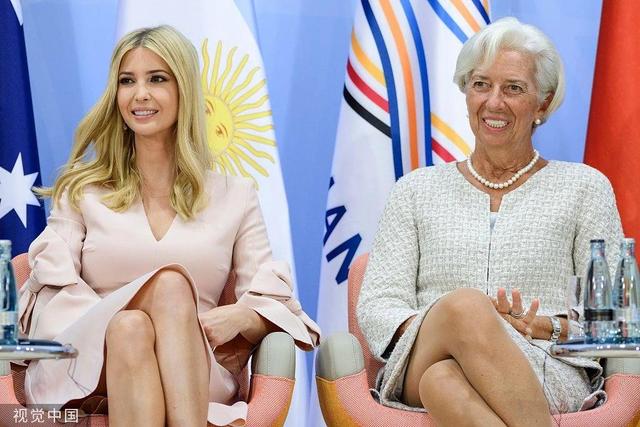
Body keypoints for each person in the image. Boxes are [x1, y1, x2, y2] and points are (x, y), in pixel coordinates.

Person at [18, 25, 319, 427]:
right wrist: (112, 318)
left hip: (195, 369)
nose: (140, 93)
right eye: (127, 81)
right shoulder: (82, 191)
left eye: (157, 79)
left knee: (132, 328)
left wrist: (241, 317)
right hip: (89, 368)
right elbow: (52, 294)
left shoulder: (236, 195)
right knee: (159, 296)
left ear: (184, 90)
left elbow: (274, 301)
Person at [357, 17, 622, 426]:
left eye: (513, 88)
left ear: (543, 103)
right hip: (423, 356)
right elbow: (378, 306)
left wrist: (543, 326)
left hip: (545, 366)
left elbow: (612, 322)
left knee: (443, 382)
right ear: (466, 92)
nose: (494, 102)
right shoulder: (414, 190)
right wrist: (459, 329)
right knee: (465, 309)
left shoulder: (585, 188)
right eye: (481, 84)